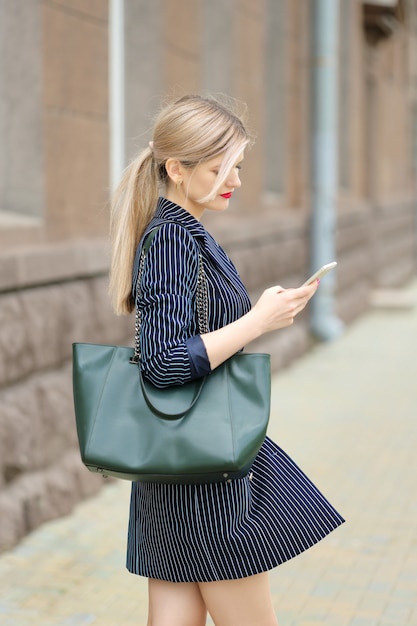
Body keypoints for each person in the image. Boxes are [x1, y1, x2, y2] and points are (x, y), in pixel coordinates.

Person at [109, 94, 344, 626]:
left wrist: (262, 313)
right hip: (206, 470)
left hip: (179, 462)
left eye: (237, 165)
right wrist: (256, 321)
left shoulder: (180, 232)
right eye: (219, 167)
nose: (233, 178)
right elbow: (164, 362)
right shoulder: (171, 239)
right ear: (177, 168)